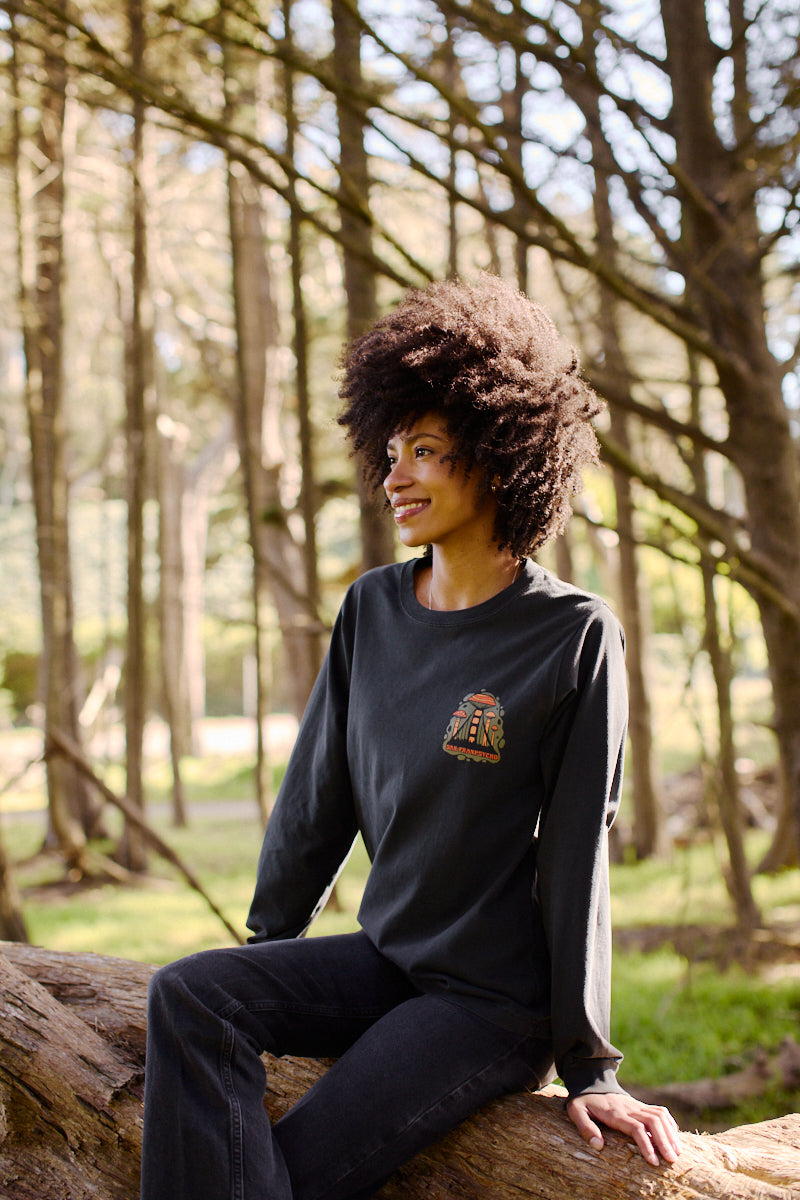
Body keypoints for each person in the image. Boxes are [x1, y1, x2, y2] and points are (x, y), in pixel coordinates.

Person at [140, 275, 681, 1200]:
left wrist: (589, 1068)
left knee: (291, 1173)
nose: (394, 478)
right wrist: (266, 956)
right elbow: (317, 802)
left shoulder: (574, 636)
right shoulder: (372, 609)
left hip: (486, 1006)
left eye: (425, 451)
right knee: (189, 995)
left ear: (503, 453)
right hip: (385, 960)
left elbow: (577, 858)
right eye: (390, 450)